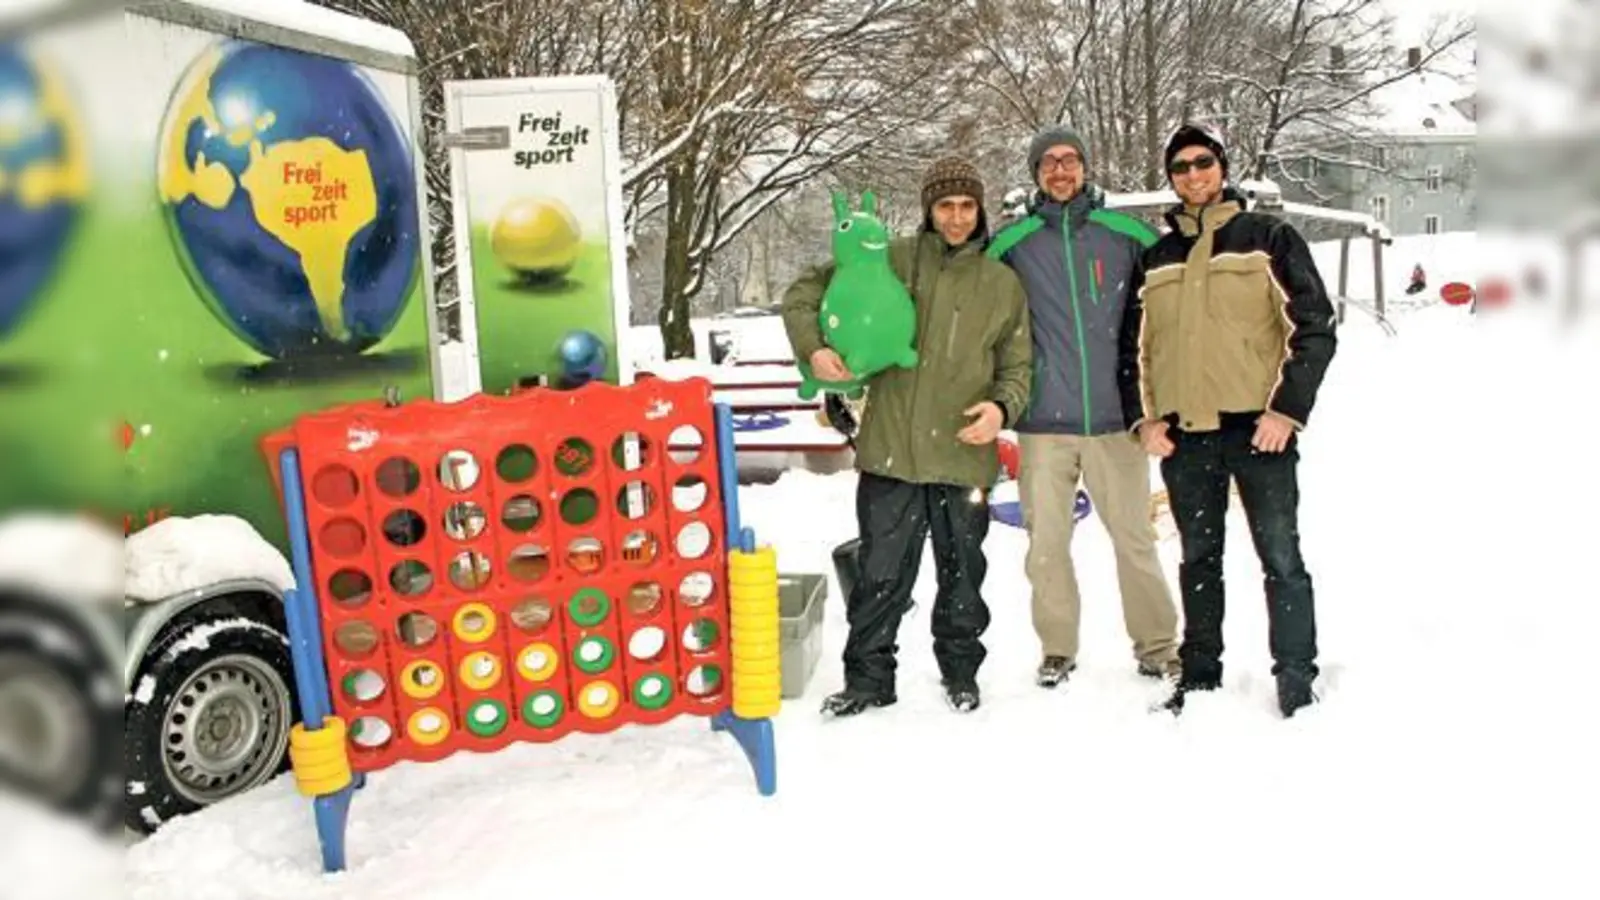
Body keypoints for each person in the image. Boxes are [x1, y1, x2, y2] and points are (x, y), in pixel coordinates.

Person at [781, 156, 1033, 716]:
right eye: (946, 205)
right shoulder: (887, 258)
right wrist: (813, 348)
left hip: (964, 456)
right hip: (891, 451)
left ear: (980, 210)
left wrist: (1000, 408)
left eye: (968, 206)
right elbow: (803, 292)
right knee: (879, 574)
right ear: (928, 209)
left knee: (964, 576)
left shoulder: (1001, 283)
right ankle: (869, 679)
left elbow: (1018, 367)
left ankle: (961, 671)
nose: (957, 217)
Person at [1117, 123, 1338, 717]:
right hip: (1187, 437)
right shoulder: (1156, 258)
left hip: (1259, 431)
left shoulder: (1268, 238)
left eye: (1203, 163)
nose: (1193, 175)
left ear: (1222, 166)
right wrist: (1145, 420)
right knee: (1198, 559)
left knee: (1281, 558)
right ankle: (1200, 674)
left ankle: (1295, 677)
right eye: (1181, 167)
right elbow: (1131, 350)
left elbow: (1313, 327)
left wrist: (1287, 411)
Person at [986, 125, 1179, 688]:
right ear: (1036, 175)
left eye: (1071, 160)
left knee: (1134, 542)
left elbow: (1174, 304)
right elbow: (970, 303)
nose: (1061, 170)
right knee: (1046, 547)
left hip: (1117, 421)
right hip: (1044, 424)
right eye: (1049, 162)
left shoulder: (1125, 234)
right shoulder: (1012, 243)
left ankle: (1159, 646)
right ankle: (1057, 649)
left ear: (1086, 168)